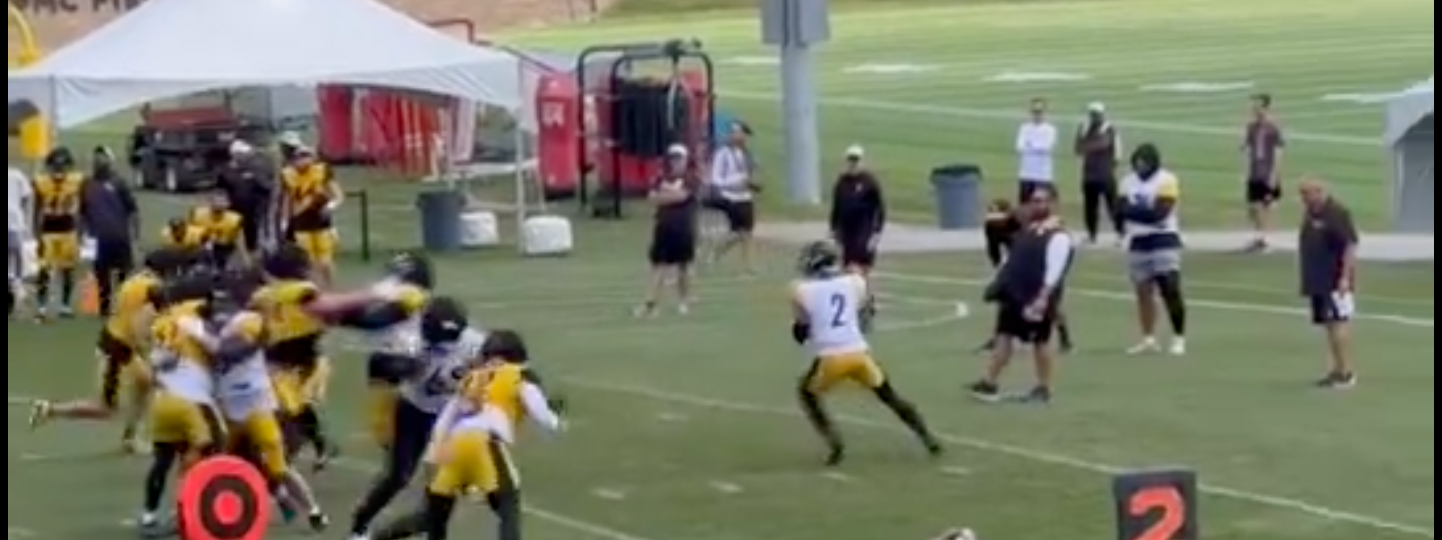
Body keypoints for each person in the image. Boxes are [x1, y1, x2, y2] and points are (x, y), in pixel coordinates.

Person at [363, 330, 564, 540]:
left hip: (453, 445)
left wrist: (434, 455)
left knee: (432, 517)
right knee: (508, 509)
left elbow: (445, 420)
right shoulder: (518, 376)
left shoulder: (472, 378)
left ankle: (378, 537)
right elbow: (544, 418)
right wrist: (557, 421)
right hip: (485, 444)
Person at [346, 297, 488, 540]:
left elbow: (501, 368)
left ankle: (425, 528)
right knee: (398, 476)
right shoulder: (410, 342)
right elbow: (380, 368)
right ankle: (360, 525)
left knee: (442, 488)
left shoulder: (476, 343)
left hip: (450, 418)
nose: (447, 345)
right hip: (414, 410)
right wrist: (398, 368)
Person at [790, 240, 942, 465]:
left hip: (830, 358)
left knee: (807, 394)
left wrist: (807, 331)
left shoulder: (801, 289)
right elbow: (866, 310)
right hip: (859, 354)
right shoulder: (855, 281)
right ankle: (926, 436)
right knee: (890, 396)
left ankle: (834, 442)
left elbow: (801, 329)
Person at [29, 248, 187, 453]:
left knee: (145, 383)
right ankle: (50, 410)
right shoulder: (153, 289)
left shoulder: (135, 280)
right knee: (105, 408)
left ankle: (130, 437)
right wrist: (150, 348)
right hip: (118, 349)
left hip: (120, 343)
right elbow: (139, 324)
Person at [209, 273, 328, 530]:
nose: (219, 308)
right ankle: (220, 510)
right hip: (230, 409)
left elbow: (231, 351)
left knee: (279, 466)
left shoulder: (247, 322)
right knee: (225, 465)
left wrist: (212, 344)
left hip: (256, 405)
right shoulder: (207, 326)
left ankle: (313, 511)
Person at [133, 272, 225, 536]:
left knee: (161, 461)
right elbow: (213, 313)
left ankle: (148, 514)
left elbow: (157, 357)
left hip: (163, 402)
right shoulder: (190, 312)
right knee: (215, 454)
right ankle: (192, 512)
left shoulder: (160, 323)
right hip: (192, 401)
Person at [970, 186, 1075, 403]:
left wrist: (1043, 298)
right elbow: (1013, 257)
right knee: (1003, 337)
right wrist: (1000, 282)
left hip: (1036, 295)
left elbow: (1055, 269)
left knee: (1040, 342)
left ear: (1053, 204)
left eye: (1041, 201)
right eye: (1034, 201)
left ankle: (1043, 387)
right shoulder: (1028, 229)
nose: (1036, 205)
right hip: (1015, 294)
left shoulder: (1059, 236)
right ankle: (989, 382)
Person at [332, 252, 435, 451]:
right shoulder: (403, 295)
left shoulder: (412, 296)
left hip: (403, 359)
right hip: (387, 360)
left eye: (396, 277)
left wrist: (337, 314)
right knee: (384, 432)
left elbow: (377, 320)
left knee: (398, 428)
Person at [250, 245, 340, 467]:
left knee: (293, 409)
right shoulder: (269, 294)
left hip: (304, 360)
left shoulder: (302, 291)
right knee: (289, 409)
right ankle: (318, 444)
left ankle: (294, 452)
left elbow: (312, 299)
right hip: (280, 358)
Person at [1117, 143, 1188, 356]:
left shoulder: (1167, 180)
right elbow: (1118, 210)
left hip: (1164, 238)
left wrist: (1133, 212)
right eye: (1137, 163)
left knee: (1170, 287)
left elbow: (1160, 213)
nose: (1140, 167)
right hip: (1137, 240)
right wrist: (1138, 213)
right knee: (1143, 292)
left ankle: (1178, 336)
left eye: (1144, 163)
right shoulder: (1127, 182)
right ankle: (1148, 338)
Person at [1296, 178, 1359, 388]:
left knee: (1338, 323)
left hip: (1334, 280)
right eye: (1301, 194)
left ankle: (1346, 372)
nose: (1303, 199)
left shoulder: (1336, 214)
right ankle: (1336, 369)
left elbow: (1350, 245)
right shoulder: (1312, 213)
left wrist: (1344, 277)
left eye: (1307, 193)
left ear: (1319, 191)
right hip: (1318, 280)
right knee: (1329, 326)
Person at [636, 144, 697, 317]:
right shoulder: (661, 177)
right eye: (673, 158)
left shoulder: (691, 178)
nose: (676, 162)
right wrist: (670, 196)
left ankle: (684, 301)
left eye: (679, 159)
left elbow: (682, 196)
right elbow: (652, 198)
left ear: (686, 160)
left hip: (683, 228)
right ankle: (651, 303)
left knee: (683, 266)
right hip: (663, 227)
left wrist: (665, 195)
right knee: (658, 266)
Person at [81, 146, 142, 317]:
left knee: (124, 273)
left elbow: (133, 210)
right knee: (101, 274)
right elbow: (83, 212)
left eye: (103, 157)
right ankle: (104, 309)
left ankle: (124, 305)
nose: (99, 161)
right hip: (98, 238)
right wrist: (83, 236)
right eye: (96, 157)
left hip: (119, 236)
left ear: (110, 160)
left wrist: (135, 236)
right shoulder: (87, 184)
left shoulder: (119, 182)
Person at [31, 147, 84, 320]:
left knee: (68, 269)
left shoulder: (77, 181)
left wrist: (81, 232)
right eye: (56, 165)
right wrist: (36, 234)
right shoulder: (41, 182)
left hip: (68, 229)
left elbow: (82, 208)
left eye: (63, 165)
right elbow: (37, 209)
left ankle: (65, 304)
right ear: (50, 166)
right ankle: (42, 305)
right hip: (48, 230)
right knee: (44, 269)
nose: (59, 168)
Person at [279, 146, 342, 286]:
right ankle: (315, 290)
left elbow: (338, 195)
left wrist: (331, 206)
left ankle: (331, 288)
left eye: (306, 157)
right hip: (300, 222)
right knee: (309, 262)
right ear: (294, 160)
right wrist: (284, 221)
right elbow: (286, 200)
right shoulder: (288, 175)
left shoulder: (322, 170)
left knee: (326, 261)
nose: (303, 161)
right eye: (300, 158)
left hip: (322, 221)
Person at [703, 121, 759, 273]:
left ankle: (748, 266)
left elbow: (751, 173)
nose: (739, 137)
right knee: (738, 233)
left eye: (741, 134)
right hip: (730, 196)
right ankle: (716, 252)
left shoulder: (747, 154)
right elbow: (715, 178)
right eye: (736, 133)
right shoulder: (723, 153)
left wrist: (752, 183)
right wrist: (731, 185)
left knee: (747, 233)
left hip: (745, 196)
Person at [828, 145, 886, 276]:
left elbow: (880, 208)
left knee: (861, 261)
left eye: (856, 160)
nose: (853, 164)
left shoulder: (869, 182)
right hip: (846, 229)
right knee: (848, 262)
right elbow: (837, 206)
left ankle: (863, 289)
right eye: (850, 160)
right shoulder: (842, 182)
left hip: (864, 228)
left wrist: (877, 231)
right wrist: (832, 229)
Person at [1075, 102, 1124, 244]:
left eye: (1096, 114)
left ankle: (1120, 233)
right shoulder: (1085, 128)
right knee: (1090, 207)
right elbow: (1078, 149)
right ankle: (1091, 234)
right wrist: (1087, 144)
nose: (1094, 117)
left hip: (1105, 173)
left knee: (1112, 205)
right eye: (1092, 114)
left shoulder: (1108, 128)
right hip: (1089, 174)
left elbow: (1103, 144)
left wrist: (1087, 145)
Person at [1242, 93, 1285, 252]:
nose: (1255, 109)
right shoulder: (1251, 127)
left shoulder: (1273, 128)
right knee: (1253, 206)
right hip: (1255, 171)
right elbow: (1248, 149)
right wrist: (1246, 170)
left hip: (1267, 171)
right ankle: (1259, 235)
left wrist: (1274, 174)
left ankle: (1263, 238)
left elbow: (1278, 151)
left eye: (1258, 106)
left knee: (1265, 206)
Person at [218, 140, 276, 255]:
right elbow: (221, 190)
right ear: (235, 155)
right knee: (233, 240)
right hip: (234, 213)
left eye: (246, 154)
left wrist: (257, 178)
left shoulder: (253, 168)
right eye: (243, 154)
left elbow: (266, 187)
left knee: (252, 240)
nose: (247, 156)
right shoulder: (226, 171)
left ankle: (253, 254)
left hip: (252, 214)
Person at [189, 189, 249, 269]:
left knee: (222, 267)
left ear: (228, 204)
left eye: (222, 201)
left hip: (224, 248)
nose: (219, 204)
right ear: (210, 202)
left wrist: (245, 258)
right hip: (203, 245)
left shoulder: (234, 219)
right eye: (216, 201)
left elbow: (239, 238)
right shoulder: (199, 214)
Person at [1015, 98, 1057, 202]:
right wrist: (1037, 147)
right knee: (1024, 206)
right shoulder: (1024, 128)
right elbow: (1019, 147)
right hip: (1026, 174)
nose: (1037, 114)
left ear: (1044, 112)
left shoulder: (1050, 129)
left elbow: (1047, 147)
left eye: (1039, 112)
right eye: (1034, 112)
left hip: (1043, 175)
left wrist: (1030, 145)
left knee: (1041, 208)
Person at [8, 164, 32, 316]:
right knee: (16, 257)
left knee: (15, 256)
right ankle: (17, 286)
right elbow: (26, 198)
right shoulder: (17, 175)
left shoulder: (16, 175)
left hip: (13, 223)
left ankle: (16, 287)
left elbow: (25, 197)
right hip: (14, 223)